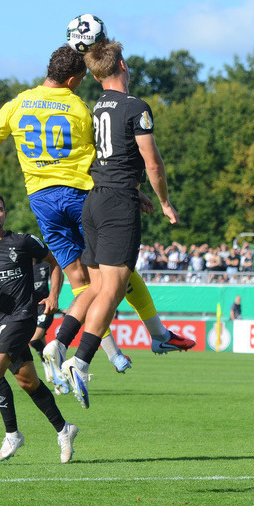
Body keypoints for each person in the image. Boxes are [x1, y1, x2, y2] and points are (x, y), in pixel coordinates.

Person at [0, 44, 192, 385]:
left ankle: (91, 351)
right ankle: (148, 335)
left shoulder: (18, 103)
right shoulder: (80, 108)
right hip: (83, 195)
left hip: (42, 201)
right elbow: (108, 154)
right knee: (115, 273)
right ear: (72, 78)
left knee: (82, 285)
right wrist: (133, 190)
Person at [57, 38, 184, 408]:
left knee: (95, 288)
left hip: (94, 200)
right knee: (113, 290)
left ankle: (60, 343)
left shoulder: (95, 108)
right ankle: (78, 364)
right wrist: (163, 201)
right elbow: (153, 162)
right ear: (123, 65)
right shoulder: (135, 107)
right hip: (116, 204)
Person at [0, 192, 78, 462]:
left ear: (5, 214)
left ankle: (12, 434)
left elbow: (55, 262)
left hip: (23, 317)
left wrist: (54, 296)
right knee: (28, 382)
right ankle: (64, 429)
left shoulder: (22, 242)